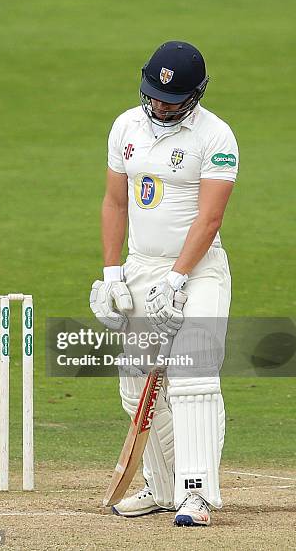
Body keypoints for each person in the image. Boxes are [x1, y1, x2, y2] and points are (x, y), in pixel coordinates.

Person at [90, 41, 239, 527]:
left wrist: (178, 280)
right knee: (136, 386)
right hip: (141, 265)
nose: (160, 106)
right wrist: (113, 274)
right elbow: (116, 202)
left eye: (172, 100)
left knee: (193, 377)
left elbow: (211, 216)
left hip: (198, 270)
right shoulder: (126, 126)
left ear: (195, 95)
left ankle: (196, 494)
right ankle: (161, 484)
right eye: (154, 96)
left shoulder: (216, 136)